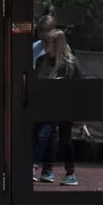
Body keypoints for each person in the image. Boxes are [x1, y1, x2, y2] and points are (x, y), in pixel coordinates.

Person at [32, 28, 79, 186]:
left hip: (66, 105)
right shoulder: (41, 60)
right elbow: (36, 82)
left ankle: (70, 173)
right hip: (47, 105)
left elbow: (81, 83)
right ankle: (39, 168)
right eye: (44, 41)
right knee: (44, 135)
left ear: (58, 44)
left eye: (48, 42)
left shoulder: (70, 62)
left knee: (65, 139)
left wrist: (63, 83)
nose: (44, 45)